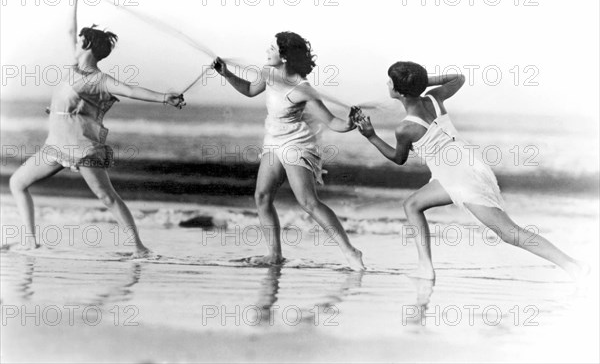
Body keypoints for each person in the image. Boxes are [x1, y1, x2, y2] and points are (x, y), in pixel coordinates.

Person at [355, 61, 587, 280]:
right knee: (412, 205)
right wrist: (423, 81)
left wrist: (371, 136)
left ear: (400, 92)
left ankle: (572, 265)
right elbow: (459, 77)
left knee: (508, 233)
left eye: (390, 81)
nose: (387, 84)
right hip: (466, 166)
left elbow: (398, 158)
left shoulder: (406, 128)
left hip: (458, 177)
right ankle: (425, 268)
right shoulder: (434, 97)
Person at [9, 0, 185, 256]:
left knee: (106, 197)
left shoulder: (99, 80)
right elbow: (71, 30)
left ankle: (139, 248)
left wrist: (164, 97)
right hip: (55, 145)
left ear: (88, 45)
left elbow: (131, 90)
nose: (75, 42)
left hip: (81, 147)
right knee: (17, 183)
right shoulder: (73, 66)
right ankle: (31, 241)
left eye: (81, 40)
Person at [212, 32, 364, 270]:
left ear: (283, 55)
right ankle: (274, 255)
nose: (267, 52)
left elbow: (332, 121)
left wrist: (350, 124)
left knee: (308, 202)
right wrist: (227, 74)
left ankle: (351, 251)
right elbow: (251, 90)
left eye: (271, 49)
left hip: (297, 144)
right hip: (273, 141)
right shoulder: (267, 73)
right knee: (261, 197)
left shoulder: (303, 89)